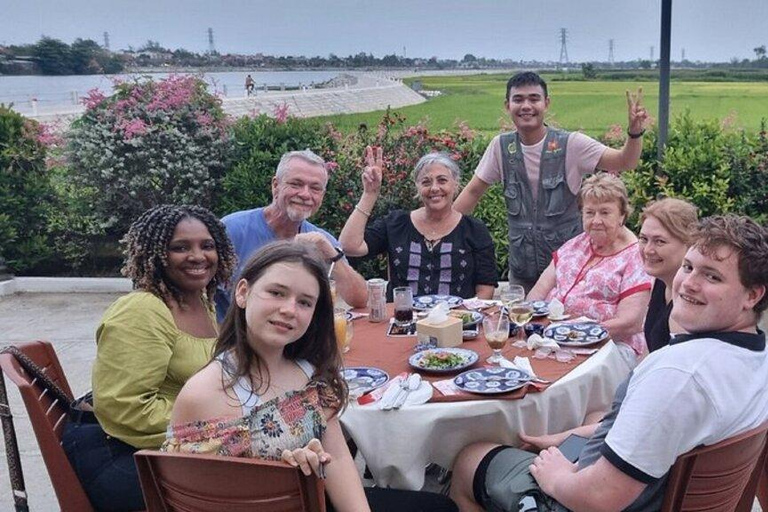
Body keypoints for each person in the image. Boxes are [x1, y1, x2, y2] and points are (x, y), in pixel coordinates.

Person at [450, 214, 768, 512]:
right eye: (688, 267)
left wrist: (556, 476)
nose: (689, 284)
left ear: (752, 296)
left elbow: (599, 499)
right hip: (653, 487)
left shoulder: (677, 374)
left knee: (470, 457)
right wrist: (573, 435)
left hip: (588, 498)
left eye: (711, 276)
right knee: (588, 419)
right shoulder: (756, 357)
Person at [165, 241, 458, 512]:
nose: (289, 310)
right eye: (277, 292)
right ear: (242, 293)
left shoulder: (310, 374)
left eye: (305, 302)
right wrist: (285, 477)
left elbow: (339, 459)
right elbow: (194, 498)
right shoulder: (207, 393)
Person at [62, 205, 236, 512]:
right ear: (156, 254)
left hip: (169, 444)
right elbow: (126, 408)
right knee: (263, 483)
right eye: (180, 247)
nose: (198, 256)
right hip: (121, 455)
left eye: (207, 245)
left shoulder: (200, 300)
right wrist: (219, 426)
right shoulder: (142, 310)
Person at [454, 71, 649, 292]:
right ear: (507, 105)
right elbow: (472, 193)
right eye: (518, 99)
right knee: (523, 324)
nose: (526, 105)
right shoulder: (501, 147)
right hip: (522, 273)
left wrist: (635, 133)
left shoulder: (571, 145)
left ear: (546, 103)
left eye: (534, 98)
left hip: (568, 271)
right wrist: (444, 229)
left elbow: (625, 161)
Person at [215, 149, 368, 321]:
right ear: (275, 186)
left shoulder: (321, 240)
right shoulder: (232, 229)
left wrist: (333, 256)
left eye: (315, 188)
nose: (305, 194)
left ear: (322, 196)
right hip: (235, 341)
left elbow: (360, 299)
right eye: (296, 184)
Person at [339, 148, 498, 299]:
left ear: (455, 184)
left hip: (456, 322)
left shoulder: (474, 229)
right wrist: (369, 194)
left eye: (442, 180)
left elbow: (485, 289)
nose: (434, 188)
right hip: (404, 321)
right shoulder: (396, 224)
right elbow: (349, 247)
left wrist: (461, 318)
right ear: (417, 186)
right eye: (426, 182)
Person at [527, 173, 652, 362]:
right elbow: (539, 290)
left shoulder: (635, 256)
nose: (596, 220)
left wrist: (573, 335)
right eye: (589, 212)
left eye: (605, 212)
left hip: (608, 346)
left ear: (622, 215)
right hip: (552, 338)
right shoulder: (576, 243)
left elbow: (630, 322)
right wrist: (532, 322)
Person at [638, 198, 699, 353]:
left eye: (660, 242)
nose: (647, 250)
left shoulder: (690, 298)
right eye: (644, 239)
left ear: (689, 244)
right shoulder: (661, 282)